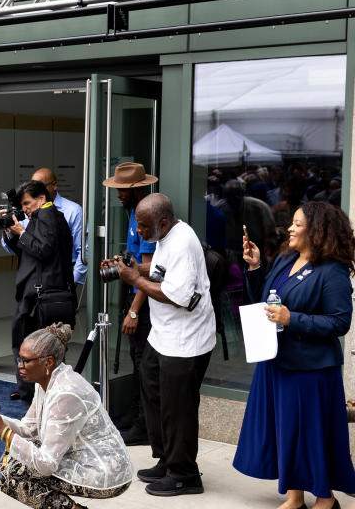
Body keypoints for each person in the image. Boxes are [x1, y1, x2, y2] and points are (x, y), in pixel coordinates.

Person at [234, 201, 355, 509]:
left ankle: (326, 500)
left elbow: (340, 322)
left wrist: (293, 319)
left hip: (310, 369)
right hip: (277, 361)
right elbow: (266, 300)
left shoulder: (333, 271)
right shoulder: (286, 260)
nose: (289, 227)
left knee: (310, 434)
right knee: (287, 431)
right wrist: (255, 267)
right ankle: (295, 496)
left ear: (317, 231)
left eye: (297, 224)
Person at [112, 193, 216, 496]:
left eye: (143, 227)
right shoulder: (164, 237)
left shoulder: (182, 242)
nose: (139, 232)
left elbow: (178, 296)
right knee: (153, 392)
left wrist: (135, 280)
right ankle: (167, 459)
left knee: (178, 408)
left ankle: (184, 474)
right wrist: (130, 267)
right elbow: (160, 271)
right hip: (163, 336)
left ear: (164, 222)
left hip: (186, 342)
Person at [0, 324, 133, 509]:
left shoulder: (66, 393)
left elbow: (46, 464)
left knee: (15, 473)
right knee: (13, 463)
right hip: (82, 457)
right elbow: (29, 429)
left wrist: (4, 432)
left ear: (48, 362)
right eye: (19, 359)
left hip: (105, 473)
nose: (19, 366)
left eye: (25, 360)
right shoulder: (45, 380)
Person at [100, 161, 158, 446]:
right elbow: (135, 262)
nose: (119, 194)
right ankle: (136, 415)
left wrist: (134, 311)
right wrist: (117, 264)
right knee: (137, 364)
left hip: (144, 301)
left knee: (143, 364)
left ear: (140, 188)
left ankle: (145, 425)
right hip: (134, 294)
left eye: (124, 189)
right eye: (118, 188)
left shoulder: (145, 214)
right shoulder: (133, 213)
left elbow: (147, 270)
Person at [2, 180, 75, 405]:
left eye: (27, 203)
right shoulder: (44, 216)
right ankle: (38, 398)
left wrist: (21, 232)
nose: (24, 209)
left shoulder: (47, 216)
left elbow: (42, 250)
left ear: (41, 199)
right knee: (38, 349)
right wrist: (12, 231)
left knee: (29, 349)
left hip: (39, 297)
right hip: (39, 294)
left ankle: (32, 399)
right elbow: (29, 250)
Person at [31, 168, 88, 287]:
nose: (35, 194)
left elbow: (84, 251)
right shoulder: (29, 210)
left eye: (39, 188)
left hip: (62, 278)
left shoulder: (73, 211)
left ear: (54, 185)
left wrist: (71, 283)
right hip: (34, 279)